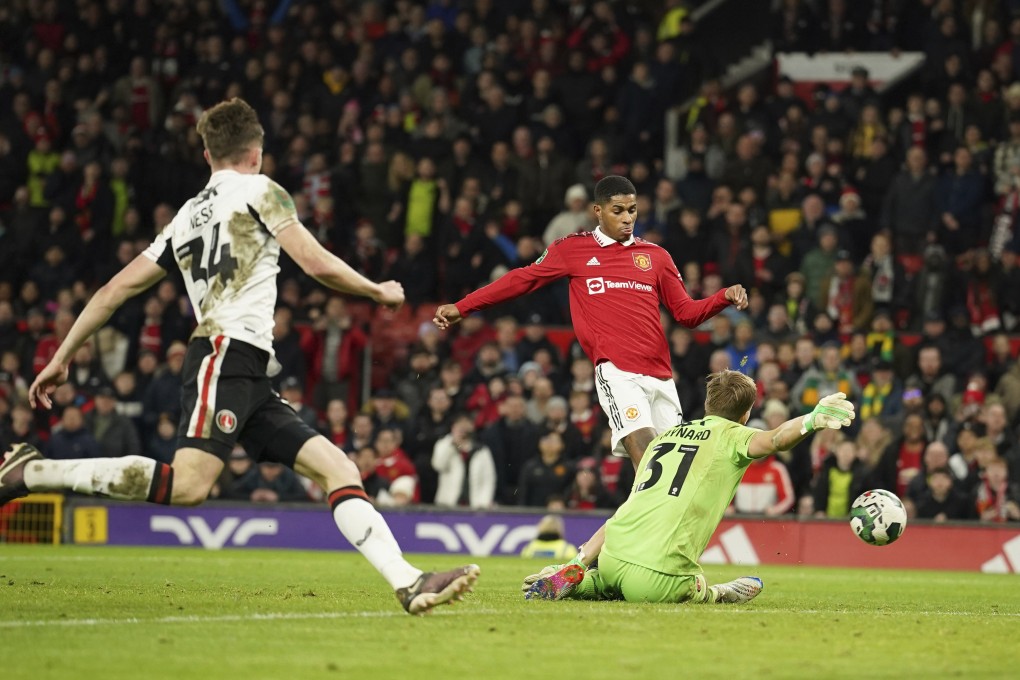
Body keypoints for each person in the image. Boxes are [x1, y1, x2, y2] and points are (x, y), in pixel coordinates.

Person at [0, 98, 478, 615]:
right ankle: (33, 473)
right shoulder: (261, 190)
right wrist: (376, 290)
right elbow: (315, 262)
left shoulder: (185, 217)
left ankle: (409, 582)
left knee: (338, 467)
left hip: (248, 369)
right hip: (224, 352)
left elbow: (114, 290)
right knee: (188, 487)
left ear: (207, 154)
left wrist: (62, 355)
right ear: (258, 151)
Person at [436, 175, 748, 565]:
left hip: (662, 379)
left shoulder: (656, 256)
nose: (627, 218)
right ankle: (600, 560)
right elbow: (522, 280)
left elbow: (685, 313)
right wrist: (463, 307)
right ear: (597, 211)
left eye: (632, 210)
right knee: (653, 462)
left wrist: (722, 296)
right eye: (618, 210)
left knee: (673, 482)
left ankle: (599, 560)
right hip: (617, 372)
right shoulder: (574, 249)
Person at [524, 370, 855, 603]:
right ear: (745, 415)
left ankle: (580, 578)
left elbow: (625, 512)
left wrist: (580, 560)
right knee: (694, 589)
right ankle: (719, 593)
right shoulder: (732, 435)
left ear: (709, 405)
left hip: (612, 556)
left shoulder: (664, 437)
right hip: (657, 576)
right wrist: (812, 420)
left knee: (609, 582)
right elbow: (776, 439)